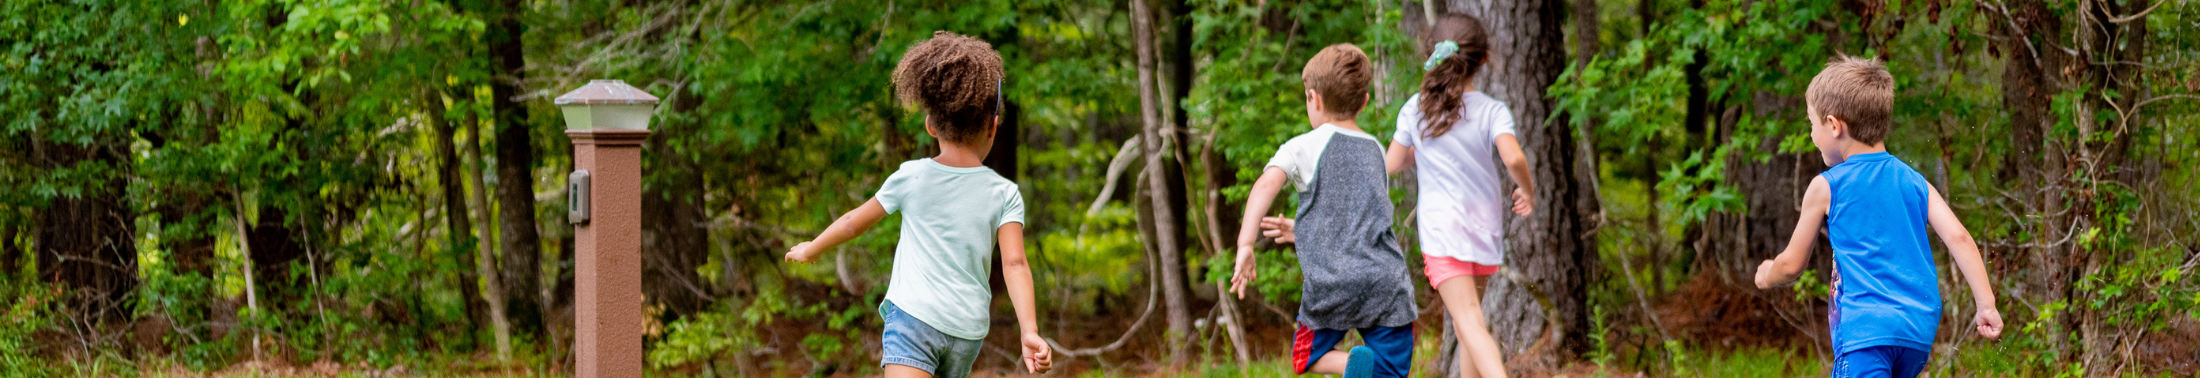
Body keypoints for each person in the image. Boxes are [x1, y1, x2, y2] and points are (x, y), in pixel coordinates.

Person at [783, 31, 1052, 378]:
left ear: (930, 126)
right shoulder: (1004, 193)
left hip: (913, 320)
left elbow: (854, 222)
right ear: (993, 127)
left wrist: (812, 247)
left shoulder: (912, 177)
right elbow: (1015, 264)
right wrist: (1028, 331)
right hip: (966, 331)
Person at [1753, 54, 2002, 378]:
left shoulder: (1827, 187)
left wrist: (1768, 273)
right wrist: (1986, 305)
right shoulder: (1914, 180)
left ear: (1833, 125)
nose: (1812, 135)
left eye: (1812, 124)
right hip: (1916, 333)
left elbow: (1792, 265)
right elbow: (1959, 238)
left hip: (1865, 334)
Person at [1229, 43, 1419, 378]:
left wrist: (1245, 244)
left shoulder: (1303, 145)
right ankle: (1365, 369)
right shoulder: (1375, 149)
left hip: (1334, 285)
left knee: (1306, 358)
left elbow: (1263, 187)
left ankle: (1347, 364)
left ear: (1313, 99)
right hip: (1386, 282)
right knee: (1388, 372)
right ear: (1363, 102)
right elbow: (1359, 219)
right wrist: (1299, 230)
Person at [1388, 13, 1529, 378]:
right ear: (1483, 59)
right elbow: (1513, 156)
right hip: (1484, 228)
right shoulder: (1492, 110)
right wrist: (1527, 190)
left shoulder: (1415, 109)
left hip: (1442, 232)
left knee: (1468, 322)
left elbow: (1391, 164)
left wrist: (1420, 145)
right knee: (1471, 321)